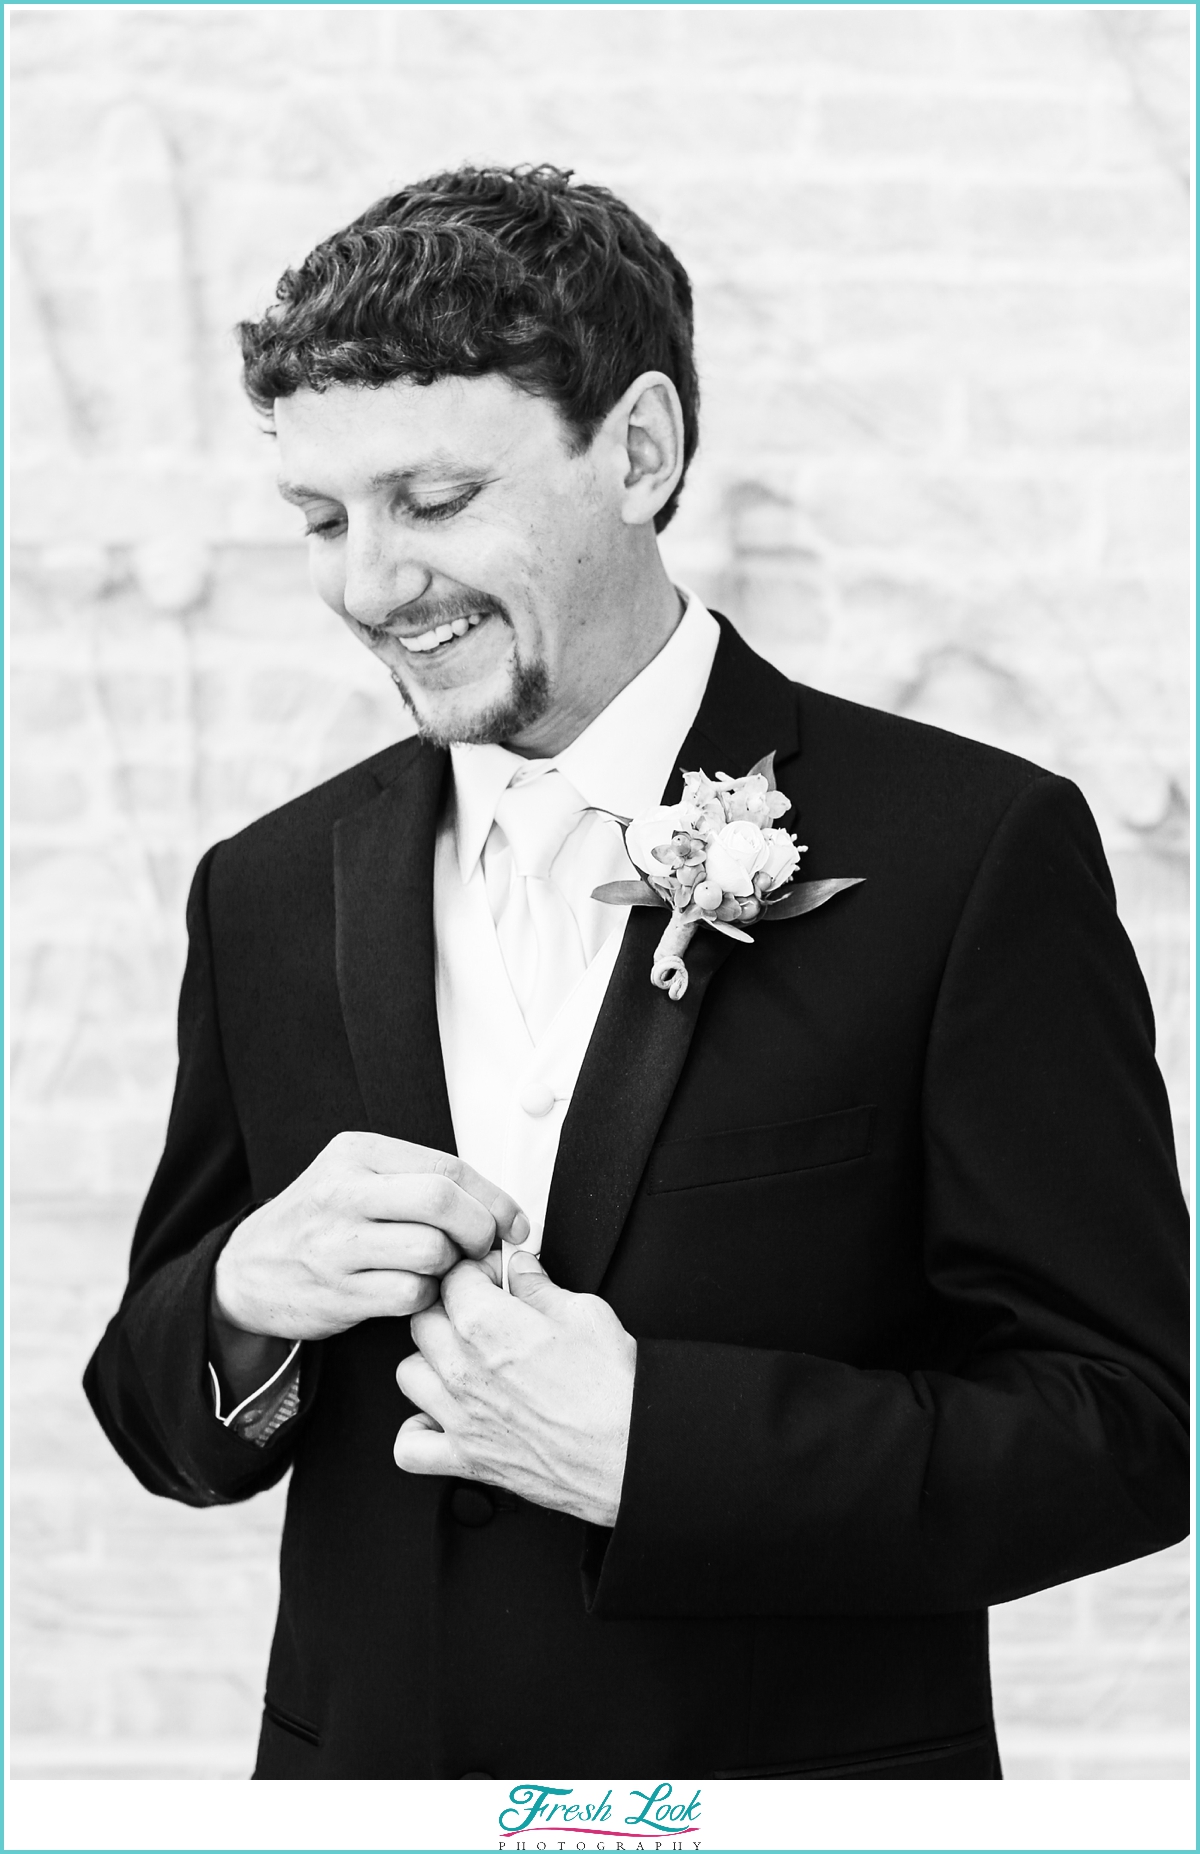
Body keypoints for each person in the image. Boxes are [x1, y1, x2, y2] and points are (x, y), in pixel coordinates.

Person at [84, 164, 1189, 1781]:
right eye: (322, 518)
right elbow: (153, 1407)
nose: (369, 586)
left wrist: (657, 1449)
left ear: (641, 448)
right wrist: (242, 1302)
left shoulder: (971, 851)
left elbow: (1127, 1431)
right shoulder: (263, 889)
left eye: (435, 501)